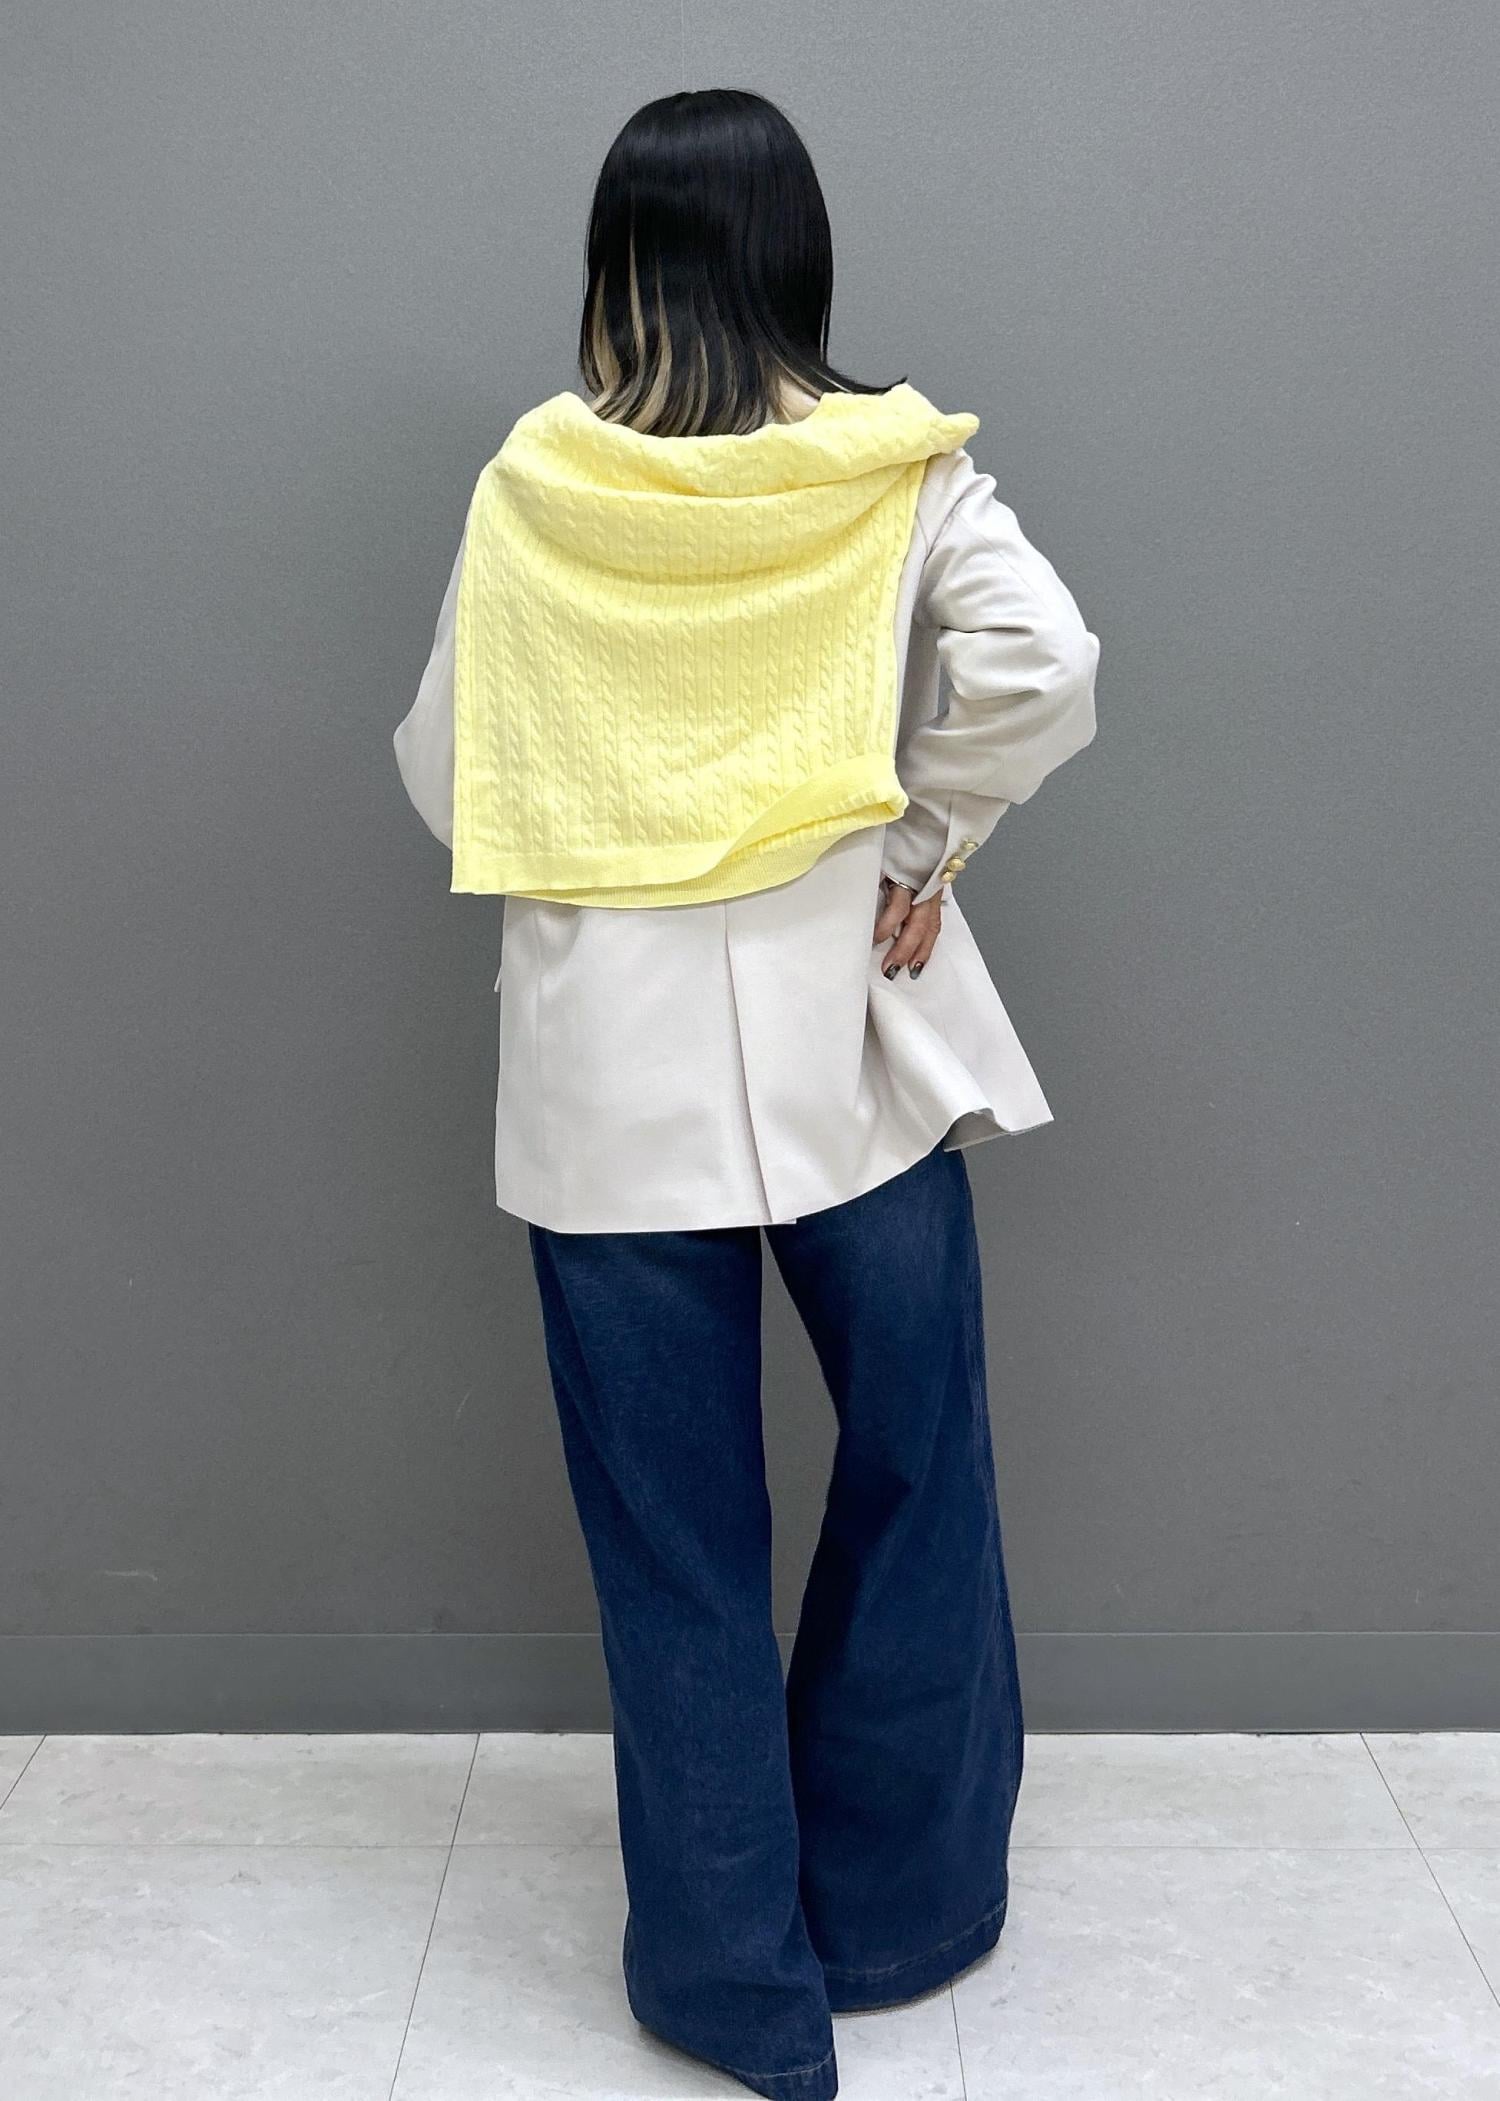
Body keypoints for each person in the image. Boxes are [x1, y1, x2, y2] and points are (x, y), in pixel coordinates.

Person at [394, 85, 1099, 2101]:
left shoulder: (543, 482)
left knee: (674, 1539)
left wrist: (614, 816)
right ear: (801, 254)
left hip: (606, 1094)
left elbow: (447, 770)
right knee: (920, 1470)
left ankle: (732, 1989)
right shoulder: (896, 468)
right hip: (850, 1061)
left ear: (618, 263)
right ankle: (893, 1912)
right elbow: (1044, 662)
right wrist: (920, 836)